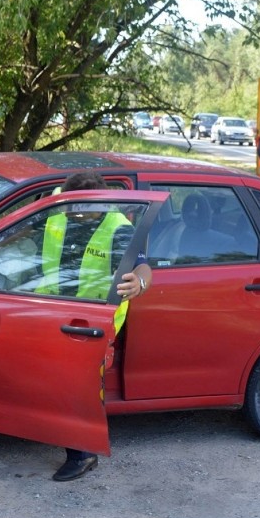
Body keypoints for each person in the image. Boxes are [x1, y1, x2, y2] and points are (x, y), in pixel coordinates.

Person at [39, 171, 152, 482]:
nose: (73, 212)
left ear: (100, 204)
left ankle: (83, 453)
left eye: (81, 207)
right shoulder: (58, 215)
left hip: (91, 325)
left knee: (81, 389)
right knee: (59, 384)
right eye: (70, 204)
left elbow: (143, 266)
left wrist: (139, 282)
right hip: (51, 314)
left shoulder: (119, 230)